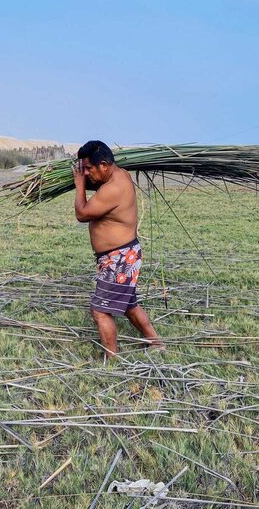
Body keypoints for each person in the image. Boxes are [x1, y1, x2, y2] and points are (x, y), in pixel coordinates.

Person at [72, 140, 164, 356]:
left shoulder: (113, 188)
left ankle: (112, 357)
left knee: (100, 310)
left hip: (119, 259)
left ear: (104, 165)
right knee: (129, 305)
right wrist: (86, 179)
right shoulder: (119, 174)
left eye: (88, 169)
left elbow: (82, 214)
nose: (85, 173)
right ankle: (156, 343)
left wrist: (79, 186)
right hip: (123, 255)